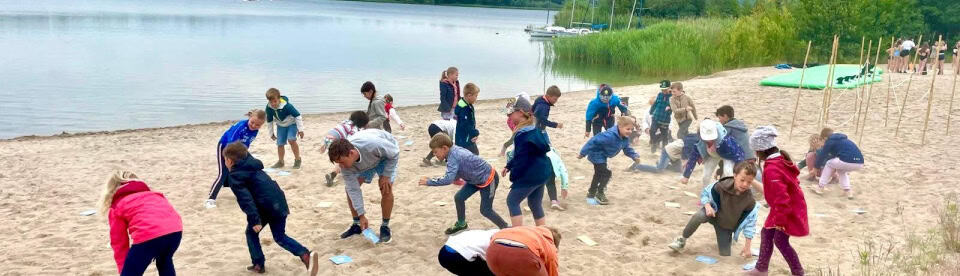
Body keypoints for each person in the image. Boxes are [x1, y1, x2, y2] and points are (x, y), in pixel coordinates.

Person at [222, 142, 319, 275]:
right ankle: (305, 255)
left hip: (266, 207)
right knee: (279, 236)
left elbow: (245, 200)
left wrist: (255, 220)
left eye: (225, 160)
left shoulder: (235, 176)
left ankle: (258, 264)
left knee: (251, 233)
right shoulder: (253, 165)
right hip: (279, 202)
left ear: (230, 161)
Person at [744, 126, 808, 276]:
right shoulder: (780, 160)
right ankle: (761, 268)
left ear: (760, 150)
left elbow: (782, 198)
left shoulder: (772, 169)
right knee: (766, 233)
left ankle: (798, 272)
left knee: (780, 241)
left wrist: (780, 221)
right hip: (786, 207)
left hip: (787, 210)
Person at [419, 133, 509, 234]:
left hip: (489, 179)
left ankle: (506, 228)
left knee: (485, 210)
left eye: (435, 152)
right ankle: (462, 224)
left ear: (444, 148)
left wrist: (429, 182)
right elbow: (457, 170)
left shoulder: (454, 156)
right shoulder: (452, 152)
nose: (434, 155)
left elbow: (448, 179)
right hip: (474, 180)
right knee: (459, 197)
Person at [668, 162, 758, 257]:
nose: (745, 184)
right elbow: (706, 193)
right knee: (699, 216)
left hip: (725, 225)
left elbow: (750, 223)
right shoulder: (722, 185)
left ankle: (728, 239)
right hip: (713, 214)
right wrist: (707, 206)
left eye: (749, 182)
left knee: (725, 254)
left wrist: (747, 247)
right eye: (742, 180)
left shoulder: (750, 201)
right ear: (735, 176)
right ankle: (682, 240)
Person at [102, 170, 183, 276]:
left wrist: (124, 270)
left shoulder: (117, 205)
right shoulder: (154, 194)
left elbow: (119, 241)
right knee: (165, 260)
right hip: (175, 232)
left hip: (149, 236)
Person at [328, 128, 399, 243]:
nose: (341, 166)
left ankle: (385, 226)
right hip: (364, 162)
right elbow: (353, 189)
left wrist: (386, 176)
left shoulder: (374, 144)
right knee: (349, 190)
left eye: (341, 162)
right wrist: (361, 215)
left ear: (351, 153)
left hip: (386, 157)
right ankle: (356, 224)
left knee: (385, 187)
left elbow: (394, 153)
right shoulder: (346, 166)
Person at [503, 97, 553, 227]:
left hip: (531, 174)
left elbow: (521, 160)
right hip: (543, 172)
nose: (509, 117)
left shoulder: (521, 134)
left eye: (510, 114)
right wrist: (509, 166)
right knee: (535, 204)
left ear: (520, 112)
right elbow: (523, 154)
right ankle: (543, 235)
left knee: (512, 201)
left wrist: (514, 177)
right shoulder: (533, 129)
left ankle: (517, 235)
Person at [205, 109, 266, 209]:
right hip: (225, 147)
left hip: (238, 150)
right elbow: (230, 144)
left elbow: (246, 145)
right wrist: (229, 159)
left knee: (245, 170)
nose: (254, 126)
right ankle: (210, 199)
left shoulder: (255, 131)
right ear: (249, 118)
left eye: (258, 125)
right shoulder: (241, 127)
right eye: (252, 122)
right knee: (223, 174)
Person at [578, 116, 642, 205]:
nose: (630, 131)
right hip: (596, 153)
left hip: (603, 155)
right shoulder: (609, 135)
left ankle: (591, 193)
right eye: (628, 129)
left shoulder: (625, 138)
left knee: (598, 174)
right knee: (606, 173)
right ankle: (599, 193)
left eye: (631, 129)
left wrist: (634, 156)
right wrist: (583, 153)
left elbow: (627, 149)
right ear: (620, 126)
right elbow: (593, 141)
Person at [681, 119, 745, 186]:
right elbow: (693, 158)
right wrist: (686, 176)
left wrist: (740, 170)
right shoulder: (699, 143)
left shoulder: (725, 141)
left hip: (728, 155)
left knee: (728, 172)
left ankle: (727, 189)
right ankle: (705, 190)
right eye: (707, 139)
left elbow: (737, 153)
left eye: (711, 138)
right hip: (712, 155)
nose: (709, 140)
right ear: (700, 136)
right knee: (705, 176)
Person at [486, 226, 561, 276]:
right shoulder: (548, 243)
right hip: (522, 255)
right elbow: (552, 270)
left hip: (492, 253)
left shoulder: (525, 230)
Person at [320, 111, 369, 187]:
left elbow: (338, 131)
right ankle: (332, 174)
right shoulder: (354, 129)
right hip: (334, 141)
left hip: (328, 138)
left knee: (340, 158)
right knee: (343, 159)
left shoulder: (346, 122)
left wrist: (325, 145)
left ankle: (334, 173)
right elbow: (349, 141)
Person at [814, 128, 864, 200]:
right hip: (860, 162)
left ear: (825, 138)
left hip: (846, 160)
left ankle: (820, 187)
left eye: (822, 140)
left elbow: (822, 155)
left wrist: (816, 167)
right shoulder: (844, 141)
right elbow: (834, 156)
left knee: (829, 164)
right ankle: (848, 191)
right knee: (841, 170)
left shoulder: (830, 140)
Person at [265, 88, 305, 169]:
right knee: (280, 144)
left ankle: (297, 160)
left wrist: (300, 130)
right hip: (280, 125)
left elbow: (298, 116)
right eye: (271, 102)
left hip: (292, 124)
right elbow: (269, 121)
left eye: (275, 101)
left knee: (291, 140)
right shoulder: (269, 108)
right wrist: (271, 133)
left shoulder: (287, 106)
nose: (273, 104)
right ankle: (281, 162)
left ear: (279, 99)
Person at [455, 83, 481, 155]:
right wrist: (475, 133)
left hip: (466, 136)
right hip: (465, 139)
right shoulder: (464, 108)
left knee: (473, 154)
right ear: (469, 95)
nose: (476, 98)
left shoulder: (467, 104)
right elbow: (465, 124)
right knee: (474, 154)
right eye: (476, 96)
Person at [649, 80, 673, 154]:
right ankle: (654, 143)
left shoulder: (672, 97)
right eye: (662, 89)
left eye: (665, 89)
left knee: (664, 137)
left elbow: (675, 107)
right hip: (656, 117)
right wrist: (651, 110)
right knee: (651, 131)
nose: (663, 91)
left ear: (669, 88)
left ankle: (664, 152)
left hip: (665, 120)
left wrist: (670, 108)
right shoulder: (660, 94)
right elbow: (655, 103)